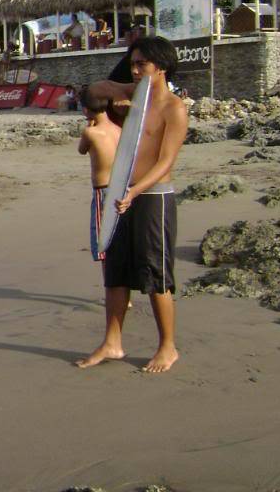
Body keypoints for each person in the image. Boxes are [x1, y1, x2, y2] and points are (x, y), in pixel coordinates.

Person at [76, 36, 188, 374]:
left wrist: (136, 190)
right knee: (116, 272)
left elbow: (166, 161)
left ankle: (167, 347)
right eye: (133, 63)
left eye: (142, 64)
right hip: (122, 194)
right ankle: (113, 342)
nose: (136, 69)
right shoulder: (129, 100)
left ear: (162, 66)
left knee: (156, 274)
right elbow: (93, 91)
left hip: (153, 198)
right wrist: (122, 85)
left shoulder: (174, 108)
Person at [77, 86, 121, 262]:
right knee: (117, 233)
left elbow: (81, 150)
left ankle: (109, 280)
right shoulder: (118, 129)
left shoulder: (91, 132)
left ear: (86, 109)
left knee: (102, 238)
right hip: (120, 186)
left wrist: (89, 124)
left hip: (102, 189)